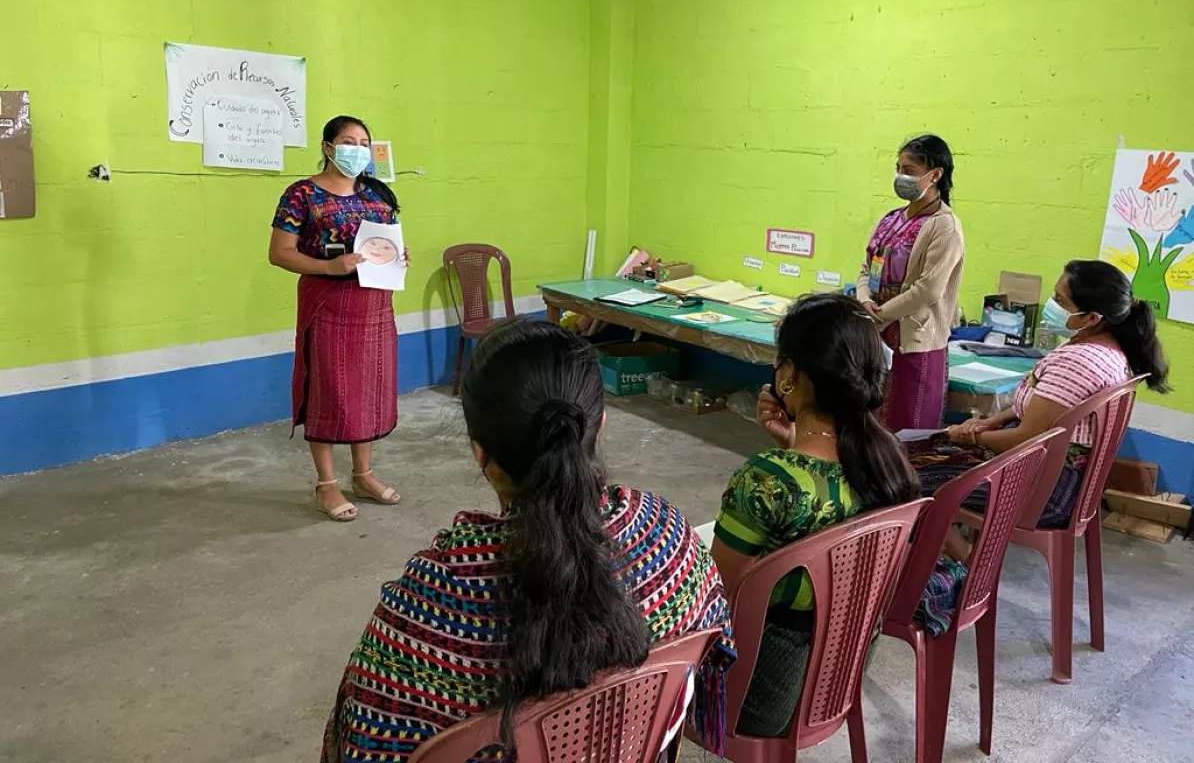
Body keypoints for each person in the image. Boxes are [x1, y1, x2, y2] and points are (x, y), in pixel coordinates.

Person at [321, 320, 735, 763]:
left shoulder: (428, 602)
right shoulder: (666, 534)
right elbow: (710, 649)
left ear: (481, 453)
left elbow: (364, 737)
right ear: (600, 426)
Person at [710, 295, 921, 738]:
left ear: (790, 375)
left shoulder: (768, 480)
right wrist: (792, 442)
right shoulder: (888, 464)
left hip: (757, 697)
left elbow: (719, 598)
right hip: (837, 681)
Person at [907, 259, 1170, 530]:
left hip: (1043, 491)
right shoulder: (1108, 351)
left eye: (1060, 299)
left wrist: (969, 436)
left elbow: (1024, 438)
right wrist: (990, 422)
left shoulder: (1078, 362)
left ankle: (960, 566)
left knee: (903, 478)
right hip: (1052, 478)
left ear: (1092, 318)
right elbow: (1042, 406)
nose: (1051, 304)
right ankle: (956, 559)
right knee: (920, 458)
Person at [269, 115, 407, 522]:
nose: (358, 149)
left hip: (375, 307)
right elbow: (280, 253)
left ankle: (363, 474)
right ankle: (326, 484)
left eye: (364, 142)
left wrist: (400, 256)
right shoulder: (302, 195)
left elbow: (389, 242)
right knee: (331, 390)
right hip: (327, 303)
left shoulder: (377, 194)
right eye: (349, 141)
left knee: (368, 387)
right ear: (328, 147)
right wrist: (331, 267)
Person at [856, 134, 965, 431]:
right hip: (876, 334)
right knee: (872, 426)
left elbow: (928, 290)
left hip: (914, 343)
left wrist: (880, 313)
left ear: (935, 175)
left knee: (908, 429)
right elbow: (866, 268)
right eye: (899, 168)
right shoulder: (890, 219)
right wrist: (864, 300)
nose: (901, 176)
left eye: (910, 171)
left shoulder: (945, 227)